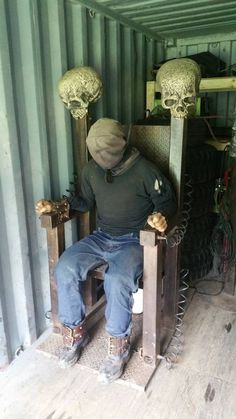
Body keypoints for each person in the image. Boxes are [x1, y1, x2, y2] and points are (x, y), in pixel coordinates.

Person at [54, 118, 177, 384]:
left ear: (119, 146)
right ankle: (75, 333)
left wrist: (160, 218)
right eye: (95, 153)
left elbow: (167, 203)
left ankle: (117, 348)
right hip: (101, 237)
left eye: (104, 153)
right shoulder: (90, 171)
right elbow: (84, 201)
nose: (99, 158)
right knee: (64, 267)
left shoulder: (146, 171)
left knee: (117, 279)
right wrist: (58, 206)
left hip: (134, 240)